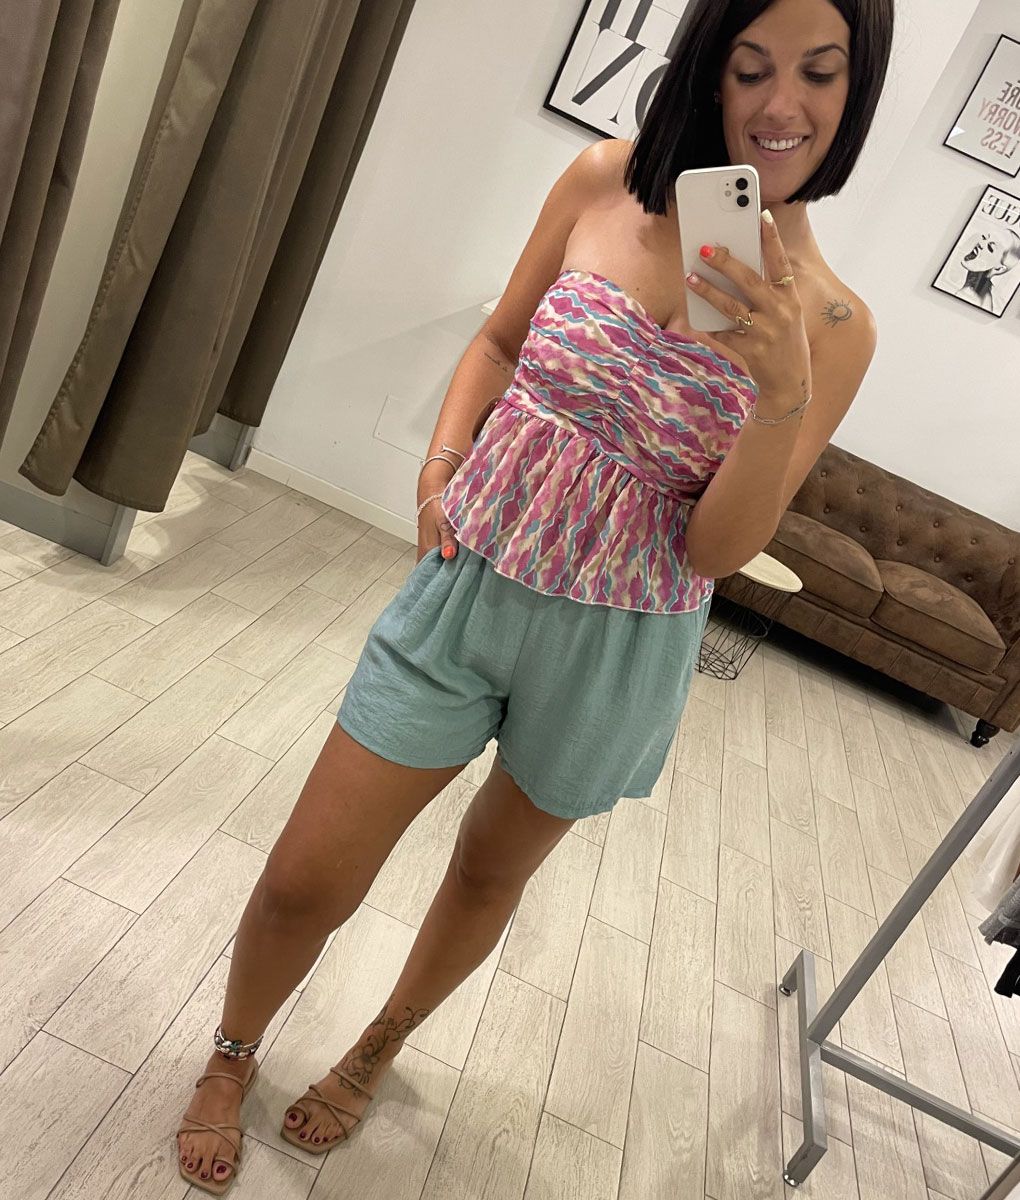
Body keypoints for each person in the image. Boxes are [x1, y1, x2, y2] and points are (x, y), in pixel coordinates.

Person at [176, 0, 892, 1190]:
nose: (781, 106)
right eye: (750, 66)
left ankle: (376, 1049)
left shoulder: (834, 326)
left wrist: (779, 397)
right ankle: (231, 1050)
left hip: (620, 647)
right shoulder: (604, 182)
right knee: (309, 874)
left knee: (487, 873)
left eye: (820, 73)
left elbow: (714, 551)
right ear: (706, 70)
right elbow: (502, 341)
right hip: (471, 584)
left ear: (855, 90)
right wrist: (441, 463)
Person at [956, 227, 1020, 312]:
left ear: (998, 269)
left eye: (990, 248)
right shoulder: (969, 289)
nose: (981, 243)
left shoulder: (973, 298)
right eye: (984, 238)